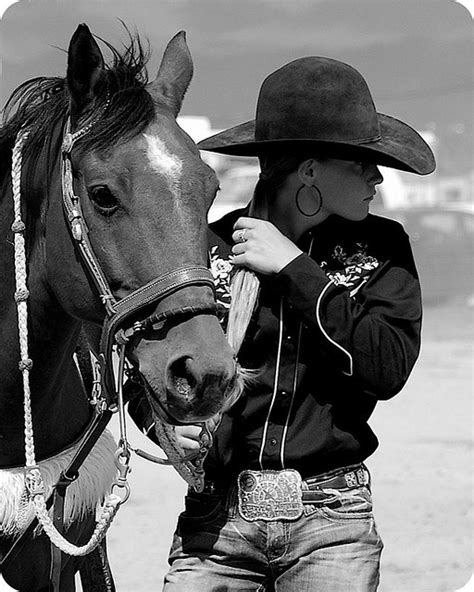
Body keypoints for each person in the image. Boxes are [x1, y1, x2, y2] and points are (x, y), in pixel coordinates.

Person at [162, 56, 435, 591]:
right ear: (309, 169)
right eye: (361, 164)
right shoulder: (204, 248)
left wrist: (294, 268)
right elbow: (156, 371)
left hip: (333, 520)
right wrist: (167, 426)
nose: (377, 177)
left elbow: (387, 366)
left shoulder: (383, 249)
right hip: (215, 523)